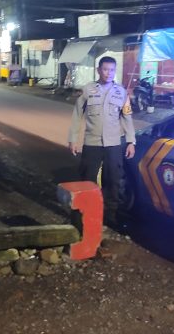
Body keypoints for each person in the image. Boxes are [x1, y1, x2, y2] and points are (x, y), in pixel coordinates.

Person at [68, 56, 136, 226]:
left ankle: (110, 215)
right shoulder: (88, 90)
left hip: (113, 144)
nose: (108, 73)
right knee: (87, 179)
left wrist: (131, 141)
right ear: (99, 70)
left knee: (113, 180)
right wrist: (73, 139)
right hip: (92, 143)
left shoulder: (121, 92)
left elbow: (127, 117)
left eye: (112, 70)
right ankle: (84, 214)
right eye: (105, 69)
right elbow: (77, 115)